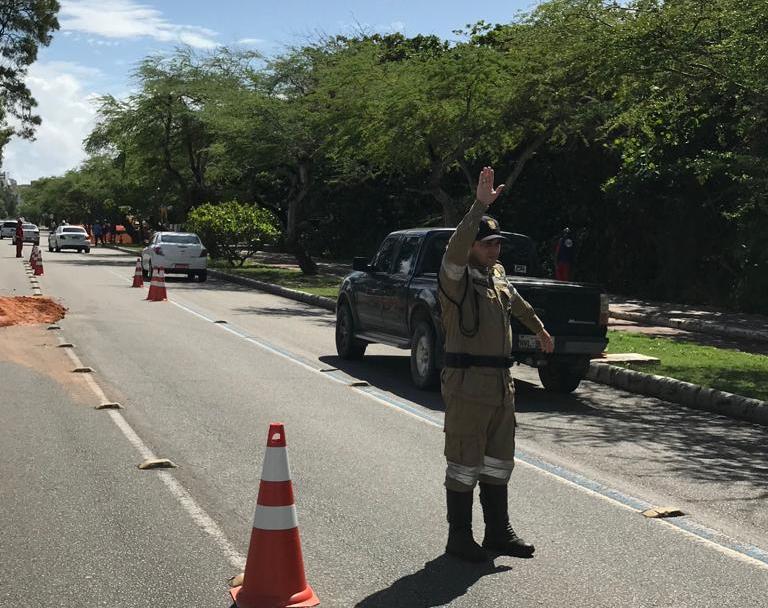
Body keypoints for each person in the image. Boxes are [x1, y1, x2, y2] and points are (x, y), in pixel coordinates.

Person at [439, 166, 554, 562]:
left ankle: (498, 533)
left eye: (497, 244)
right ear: (472, 246)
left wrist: (539, 328)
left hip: (500, 384)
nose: (494, 249)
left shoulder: (496, 275)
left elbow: (516, 302)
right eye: (486, 244)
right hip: (467, 382)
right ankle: (459, 537)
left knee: (498, 460)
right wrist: (478, 208)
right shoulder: (455, 278)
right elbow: (454, 249)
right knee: (464, 462)